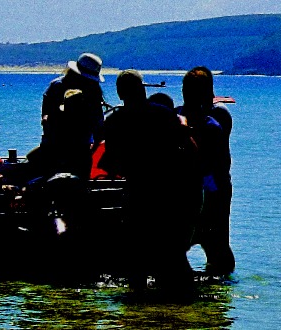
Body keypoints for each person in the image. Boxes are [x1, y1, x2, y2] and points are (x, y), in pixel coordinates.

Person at [101, 70, 201, 289]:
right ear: (142, 89)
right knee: (173, 255)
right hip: (168, 193)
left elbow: (111, 164)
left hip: (137, 193)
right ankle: (184, 305)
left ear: (119, 93)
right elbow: (190, 150)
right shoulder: (164, 114)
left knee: (136, 257)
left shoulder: (115, 121)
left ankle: (136, 311)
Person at [178, 66, 235, 275]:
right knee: (212, 243)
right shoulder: (187, 116)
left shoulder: (216, 116)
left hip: (212, 185)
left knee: (216, 244)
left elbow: (211, 158)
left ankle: (218, 286)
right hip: (203, 186)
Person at [30, 53, 107, 177]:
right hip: (79, 152)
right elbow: (99, 129)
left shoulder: (56, 86)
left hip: (56, 150)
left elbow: (45, 119)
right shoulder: (93, 92)